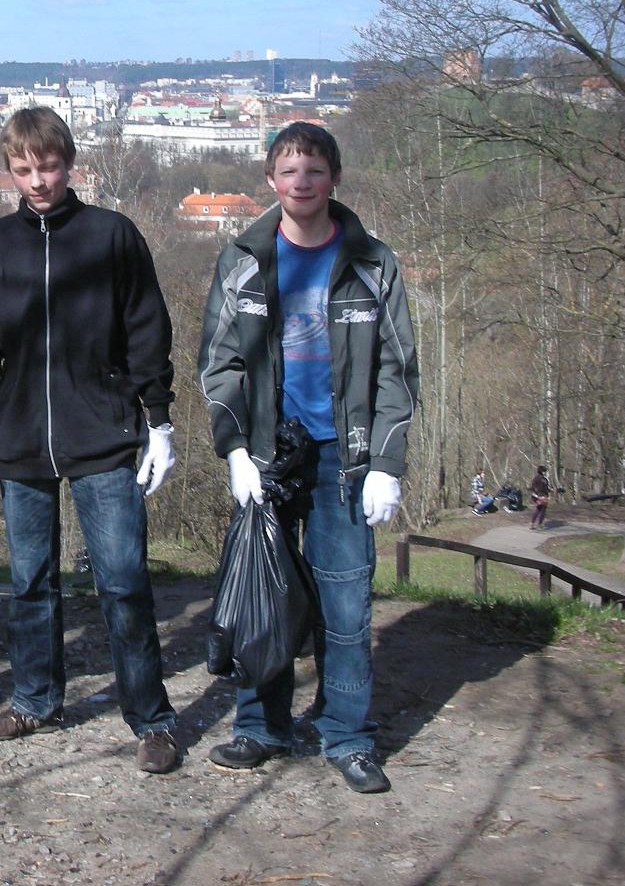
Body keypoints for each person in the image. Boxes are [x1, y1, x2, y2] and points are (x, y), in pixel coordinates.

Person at [0, 107, 183, 775]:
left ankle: (152, 718)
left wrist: (159, 420)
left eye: (48, 166)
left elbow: (147, 330)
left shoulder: (112, 237)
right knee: (29, 582)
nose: (37, 181)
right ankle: (34, 698)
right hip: (20, 435)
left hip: (102, 433)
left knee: (122, 582)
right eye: (23, 170)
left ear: (69, 162)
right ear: (7, 172)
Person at [198, 121, 418, 794]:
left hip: (343, 459)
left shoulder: (372, 263)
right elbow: (219, 364)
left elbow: (398, 370)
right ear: (272, 180)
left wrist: (387, 461)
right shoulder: (244, 259)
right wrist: (234, 448)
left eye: (314, 171)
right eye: (290, 172)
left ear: (334, 179)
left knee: (345, 605)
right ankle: (260, 727)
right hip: (268, 455)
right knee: (262, 596)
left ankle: (347, 735)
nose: (302, 183)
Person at [529, 465, 551, 529]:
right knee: (543, 509)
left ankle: (532, 523)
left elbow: (532, 487)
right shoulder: (544, 480)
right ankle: (539, 524)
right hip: (541, 496)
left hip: (535, 496)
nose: (545, 472)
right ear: (542, 471)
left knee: (538, 509)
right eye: (544, 471)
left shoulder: (535, 478)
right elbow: (545, 489)